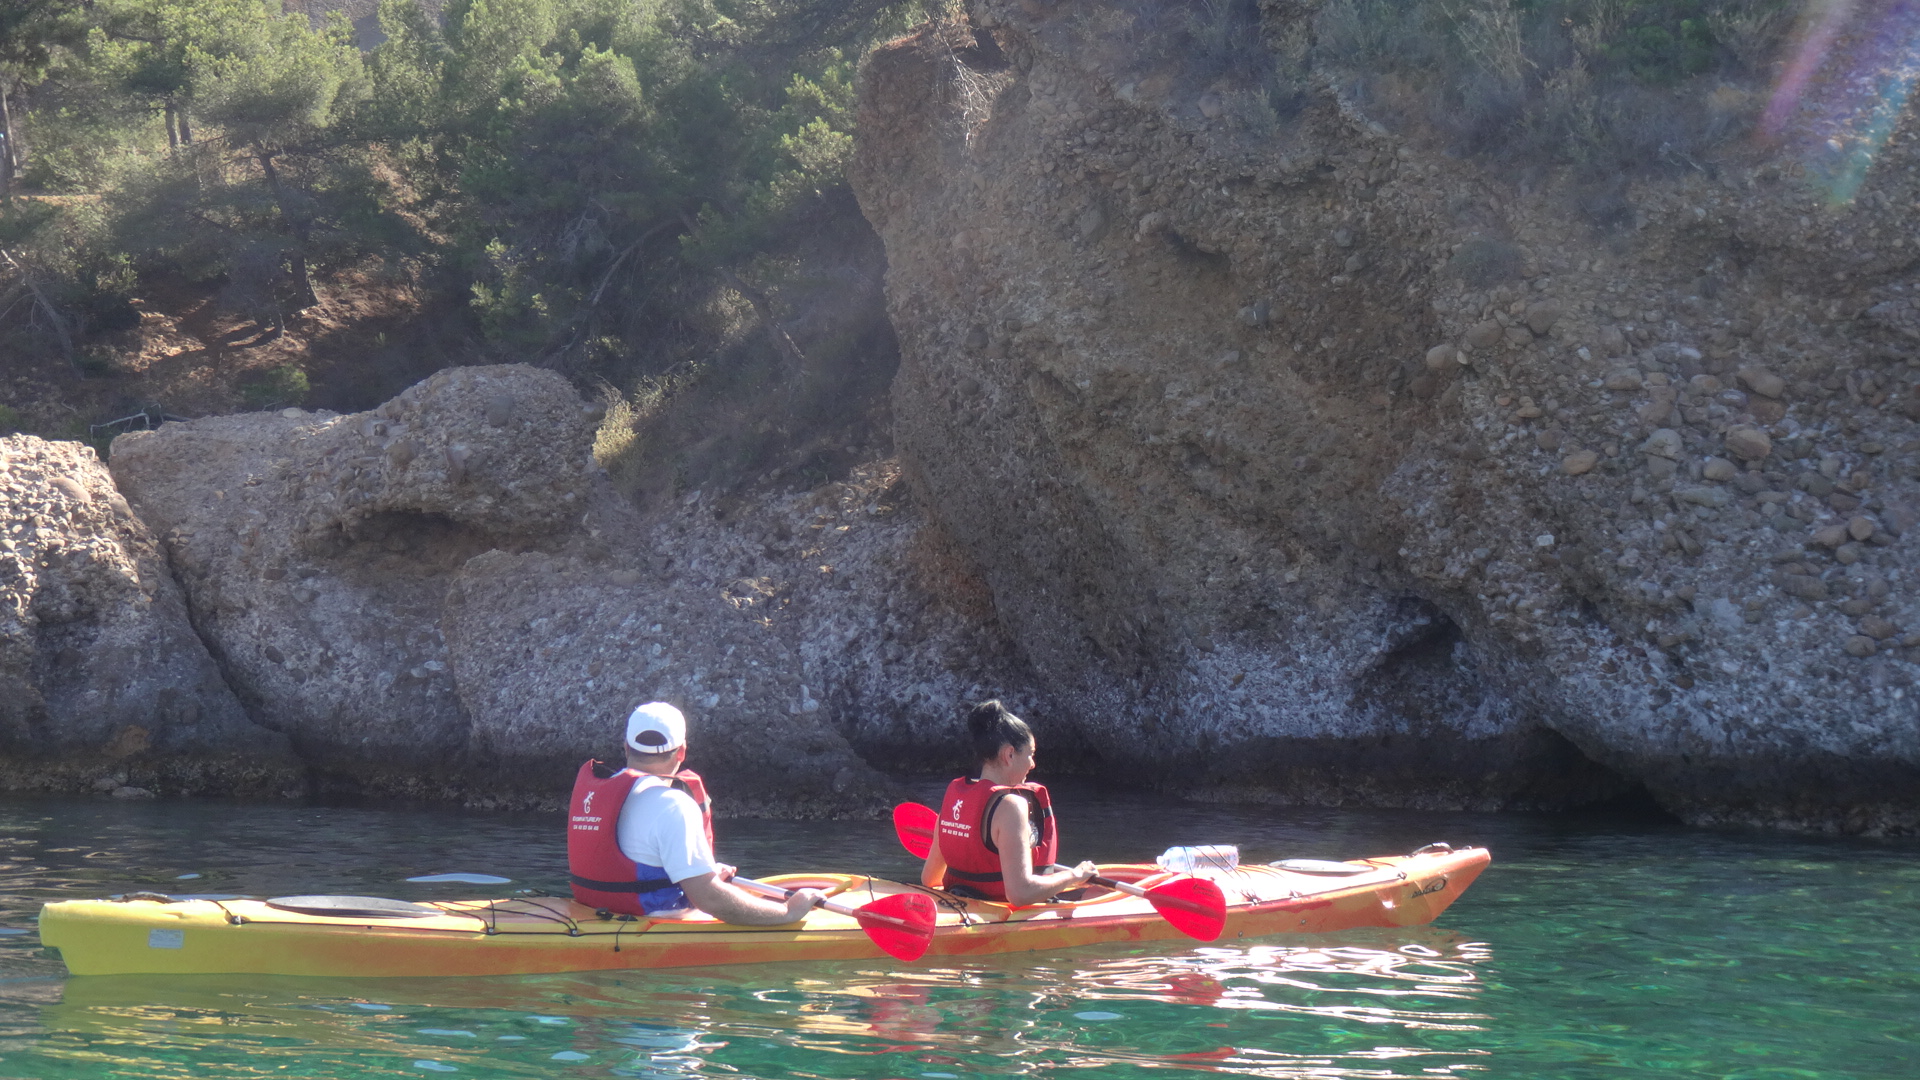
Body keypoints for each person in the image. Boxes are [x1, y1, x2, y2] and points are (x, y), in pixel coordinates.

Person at [568, 701, 823, 924]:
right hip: (658, 919)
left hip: (598, 912)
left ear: (626, 747)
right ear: (682, 751)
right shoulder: (673, 804)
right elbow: (709, 899)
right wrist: (788, 912)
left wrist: (701, 872)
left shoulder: (600, 794)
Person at [920, 700, 1098, 905]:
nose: (1033, 764)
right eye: (1030, 754)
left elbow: (930, 879)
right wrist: (1075, 876)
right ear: (1009, 754)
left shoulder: (956, 797)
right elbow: (1020, 894)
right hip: (997, 918)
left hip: (963, 905)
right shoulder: (1011, 806)